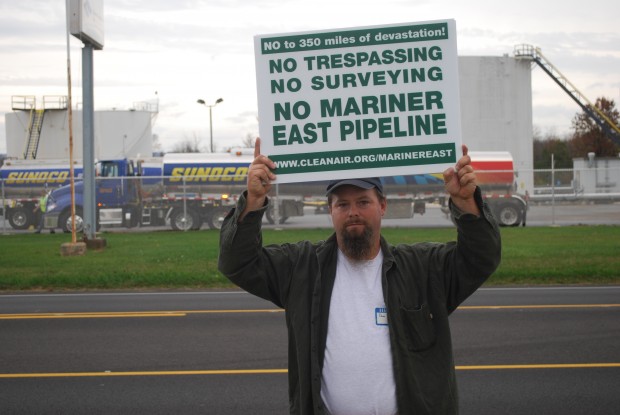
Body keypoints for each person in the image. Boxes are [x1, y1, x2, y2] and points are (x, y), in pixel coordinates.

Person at [218, 139, 501, 415]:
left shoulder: (423, 269)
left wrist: (466, 204)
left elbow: (480, 258)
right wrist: (254, 201)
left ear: (382, 205)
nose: (353, 212)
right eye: (342, 204)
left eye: (363, 201)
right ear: (330, 210)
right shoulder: (302, 268)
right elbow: (238, 262)